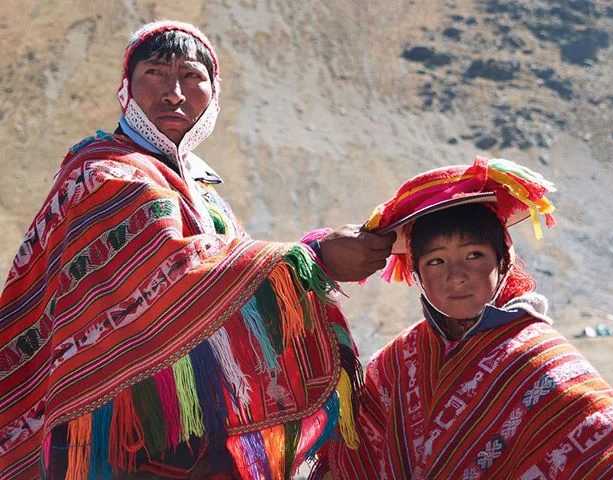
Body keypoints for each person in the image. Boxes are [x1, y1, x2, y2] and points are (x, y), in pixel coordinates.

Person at [0, 21, 395, 479]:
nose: (174, 93)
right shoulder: (102, 177)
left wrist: (312, 253)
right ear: (126, 89)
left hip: (201, 436)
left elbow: (230, 280)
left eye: (191, 76)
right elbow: (178, 271)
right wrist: (315, 258)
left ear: (214, 91)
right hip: (119, 443)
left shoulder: (205, 194)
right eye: (155, 73)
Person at [312, 156, 613, 479]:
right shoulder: (396, 363)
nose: (456, 276)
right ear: (417, 274)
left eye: (474, 255)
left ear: (503, 261)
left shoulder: (544, 362)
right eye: (436, 262)